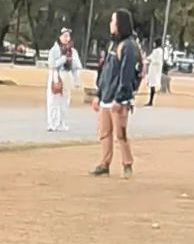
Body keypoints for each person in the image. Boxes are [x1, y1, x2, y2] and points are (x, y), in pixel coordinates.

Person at [92, 9, 141, 176]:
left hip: (118, 99)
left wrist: (120, 99)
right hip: (106, 96)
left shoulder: (128, 46)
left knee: (120, 134)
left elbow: (126, 75)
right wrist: (98, 94)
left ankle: (127, 164)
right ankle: (104, 163)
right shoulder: (112, 44)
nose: (110, 24)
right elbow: (105, 72)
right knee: (104, 133)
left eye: (113, 21)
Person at [46, 27, 82, 132]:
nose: (67, 38)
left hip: (67, 75)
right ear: (60, 37)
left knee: (65, 101)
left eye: (68, 36)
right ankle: (52, 123)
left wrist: (76, 79)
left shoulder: (73, 51)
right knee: (53, 100)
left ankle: (62, 123)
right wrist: (63, 59)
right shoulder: (54, 50)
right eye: (64, 36)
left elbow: (75, 67)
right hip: (56, 74)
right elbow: (52, 65)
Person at [145, 42, 164, 106]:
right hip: (154, 70)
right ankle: (150, 101)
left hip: (154, 70)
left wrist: (148, 60)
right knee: (151, 85)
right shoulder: (159, 51)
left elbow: (154, 59)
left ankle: (150, 101)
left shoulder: (157, 51)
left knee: (152, 85)